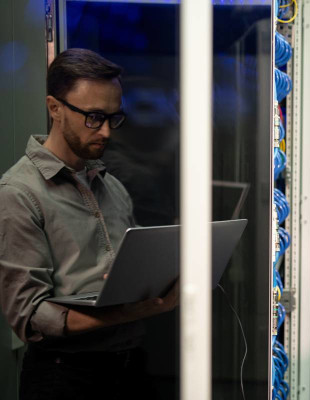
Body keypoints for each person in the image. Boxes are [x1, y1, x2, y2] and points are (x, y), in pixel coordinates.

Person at [0, 48, 178, 400]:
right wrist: (129, 311)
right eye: (94, 117)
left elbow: (129, 270)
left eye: (114, 118)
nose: (107, 132)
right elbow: (30, 316)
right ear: (55, 108)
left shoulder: (111, 185)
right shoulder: (19, 192)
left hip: (130, 365)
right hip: (64, 376)